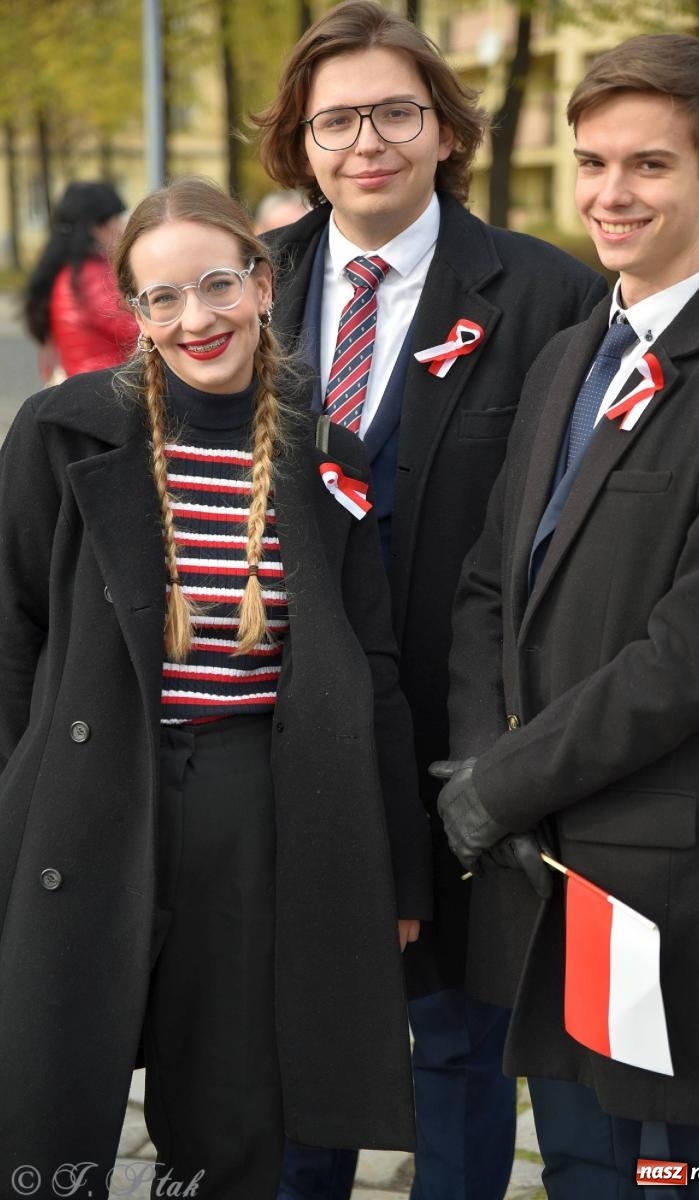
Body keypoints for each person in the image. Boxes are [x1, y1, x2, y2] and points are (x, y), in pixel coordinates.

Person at [0, 177, 431, 1200]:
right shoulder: (61, 434)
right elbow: (9, 634)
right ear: (136, 312)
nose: (196, 319)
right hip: (87, 794)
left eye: (217, 285)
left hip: (254, 807)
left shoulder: (328, 454)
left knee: (233, 1106)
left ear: (263, 283)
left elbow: (369, 666)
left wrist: (402, 870)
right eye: (163, 298)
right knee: (44, 1089)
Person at [434, 33, 699, 1200]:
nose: (610, 194)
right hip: (545, 886)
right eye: (592, 164)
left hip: (662, 893)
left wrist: (501, 784)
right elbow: (492, 583)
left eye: (647, 165)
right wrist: (479, 757)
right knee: (584, 1170)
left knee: (692, 1180)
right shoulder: (563, 361)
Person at [251, 3, 607, 1197]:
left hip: (467, 732)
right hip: (292, 729)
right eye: (336, 119)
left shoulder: (549, 296)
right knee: (299, 1036)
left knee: (461, 1036)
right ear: (301, 144)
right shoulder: (250, 292)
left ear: (445, 129)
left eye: (396, 112)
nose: (369, 142)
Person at [22, 179, 138, 379]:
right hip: (108, 387)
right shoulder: (91, 277)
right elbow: (136, 330)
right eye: (118, 218)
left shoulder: (70, 271)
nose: (122, 226)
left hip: (88, 381)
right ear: (96, 227)